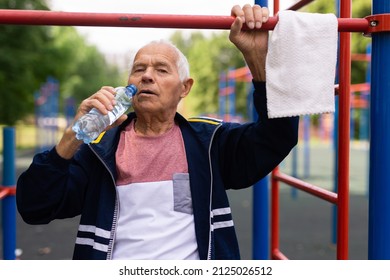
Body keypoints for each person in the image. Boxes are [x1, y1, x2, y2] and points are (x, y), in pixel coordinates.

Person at [16, 4, 299, 260]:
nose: (147, 75)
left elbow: (278, 136)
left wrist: (257, 61)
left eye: (161, 69)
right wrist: (74, 134)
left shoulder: (209, 142)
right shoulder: (99, 150)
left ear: (184, 88)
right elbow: (35, 207)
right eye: (139, 69)